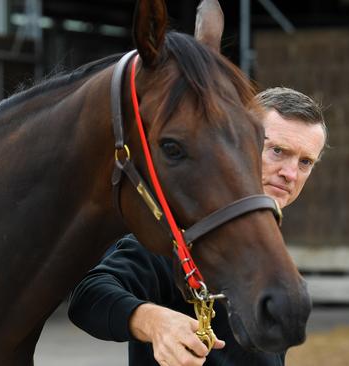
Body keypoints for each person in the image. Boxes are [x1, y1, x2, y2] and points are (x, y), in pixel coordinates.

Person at [68, 87, 327, 366]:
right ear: (237, 145)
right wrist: (154, 322)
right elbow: (88, 295)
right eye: (277, 151)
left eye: (305, 162)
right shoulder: (187, 230)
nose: (290, 174)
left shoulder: (269, 247)